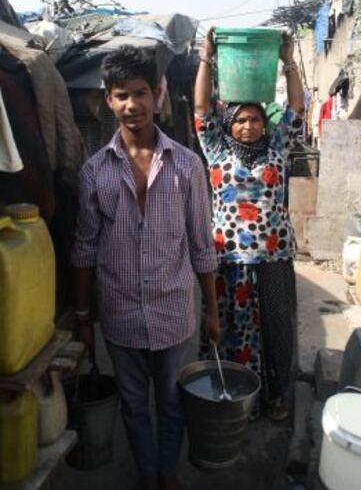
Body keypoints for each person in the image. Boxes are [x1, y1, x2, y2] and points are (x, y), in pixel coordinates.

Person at [71, 45, 219, 490]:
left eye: (140, 92)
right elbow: (85, 249)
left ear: (159, 94)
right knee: (134, 404)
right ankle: (147, 474)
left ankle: (168, 473)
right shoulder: (94, 171)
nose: (132, 104)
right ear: (108, 100)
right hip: (119, 313)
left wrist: (210, 310)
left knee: (172, 403)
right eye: (121, 95)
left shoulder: (188, 166)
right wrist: (82, 316)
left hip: (174, 311)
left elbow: (201, 244)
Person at [194, 29, 304, 420]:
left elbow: (295, 106)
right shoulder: (216, 148)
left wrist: (288, 60)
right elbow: (202, 109)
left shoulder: (278, 145)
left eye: (255, 118)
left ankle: (276, 396)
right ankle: (228, 394)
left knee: (275, 330)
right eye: (240, 119)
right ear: (230, 124)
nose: (248, 126)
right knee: (227, 330)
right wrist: (207, 56)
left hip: (273, 256)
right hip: (229, 258)